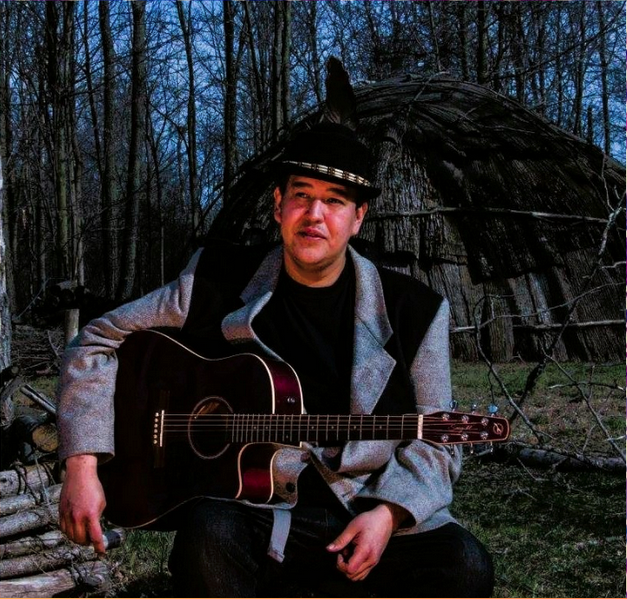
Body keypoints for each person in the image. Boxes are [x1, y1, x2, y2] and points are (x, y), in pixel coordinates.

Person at [57, 122, 494, 597]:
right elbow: (96, 340)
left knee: (465, 566)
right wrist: (82, 464)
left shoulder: (415, 310)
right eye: (301, 196)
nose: (314, 214)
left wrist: (389, 514)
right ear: (277, 205)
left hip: (365, 504)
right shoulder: (217, 281)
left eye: (334, 201)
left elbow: (437, 438)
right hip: (256, 511)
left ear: (358, 217)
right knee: (206, 538)